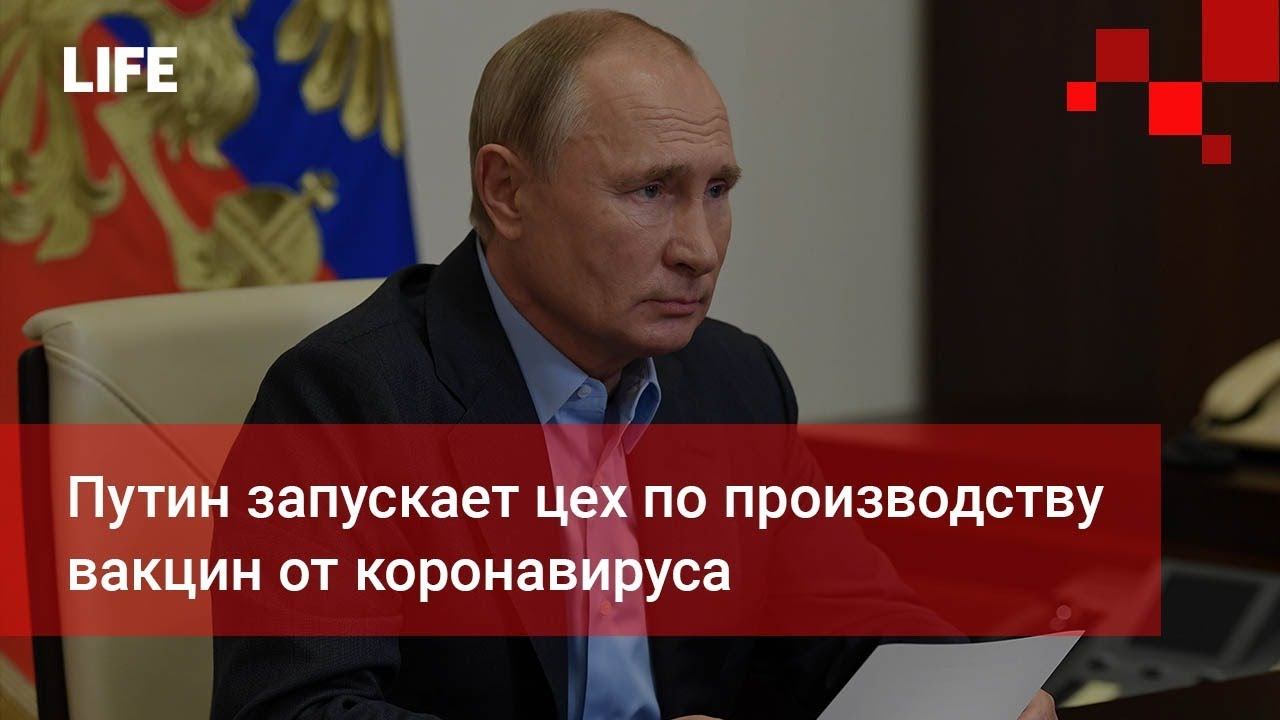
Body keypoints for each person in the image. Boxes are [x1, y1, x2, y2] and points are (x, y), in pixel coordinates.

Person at [211, 9, 1056, 719]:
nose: (699, 249)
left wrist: (972, 695)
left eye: (717, 192)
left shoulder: (734, 382)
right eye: (650, 191)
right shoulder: (351, 398)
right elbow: (295, 710)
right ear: (507, 191)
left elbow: (848, 625)